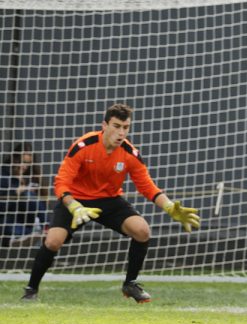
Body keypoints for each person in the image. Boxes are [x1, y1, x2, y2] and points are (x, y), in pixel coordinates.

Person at [21, 104, 200, 302]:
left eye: (126, 127)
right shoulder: (83, 146)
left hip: (109, 200)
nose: (121, 132)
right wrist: (73, 206)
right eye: (116, 126)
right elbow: (62, 182)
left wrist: (169, 206)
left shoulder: (130, 153)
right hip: (77, 200)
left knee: (142, 231)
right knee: (53, 241)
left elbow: (147, 186)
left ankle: (130, 284)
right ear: (104, 125)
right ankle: (31, 290)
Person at [0, 143, 48, 247]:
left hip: (26, 222)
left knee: (31, 196)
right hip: (6, 221)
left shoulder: (29, 176)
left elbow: (42, 204)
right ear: (14, 159)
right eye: (22, 162)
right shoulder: (3, 176)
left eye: (27, 163)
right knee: (27, 195)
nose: (24, 166)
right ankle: (14, 238)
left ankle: (44, 229)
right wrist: (16, 192)